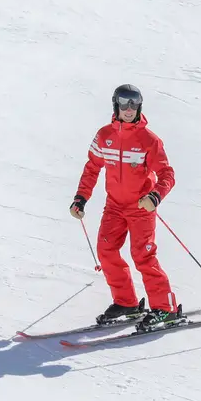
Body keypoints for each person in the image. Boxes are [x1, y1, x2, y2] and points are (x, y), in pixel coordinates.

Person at [69, 84, 181, 331]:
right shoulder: (104, 135)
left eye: (134, 103)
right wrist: (80, 198)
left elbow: (167, 174)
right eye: (124, 103)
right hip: (114, 207)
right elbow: (92, 168)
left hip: (141, 207)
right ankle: (126, 303)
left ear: (139, 106)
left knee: (143, 256)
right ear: (115, 105)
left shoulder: (149, 140)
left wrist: (154, 196)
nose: (129, 109)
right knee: (106, 251)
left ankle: (165, 308)